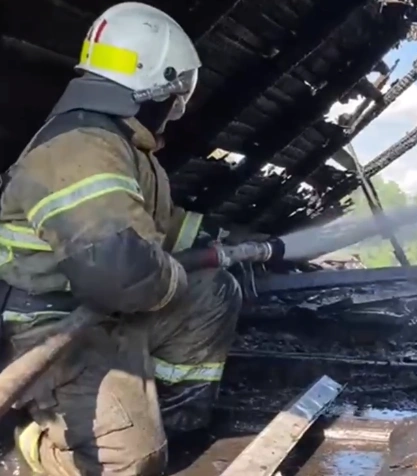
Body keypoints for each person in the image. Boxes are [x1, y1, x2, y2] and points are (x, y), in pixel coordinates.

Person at [0, 3, 245, 474]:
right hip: (50, 325)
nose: (176, 109)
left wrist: (221, 241)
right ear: (155, 86)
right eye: (176, 95)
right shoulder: (80, 148)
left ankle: (168, 412)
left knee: (213, 289)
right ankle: (27, 440)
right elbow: (117, 272)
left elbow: (150, 222)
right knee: (130, 464)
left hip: (102, 308)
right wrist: (174, 273)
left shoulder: (117, 144)